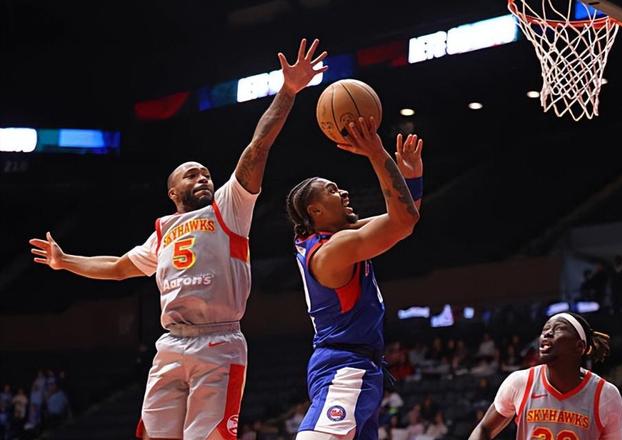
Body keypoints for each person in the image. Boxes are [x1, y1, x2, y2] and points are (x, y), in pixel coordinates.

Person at [29, 38, 328, 440]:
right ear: (173, 192)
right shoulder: (163, 230)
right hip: (171, 343)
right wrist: (65, 261)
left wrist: (288, 92)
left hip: (219, 341)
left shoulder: (228, 207)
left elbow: (257, 148)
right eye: (192, 174)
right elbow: (118, 267)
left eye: (206, 173)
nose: (203, 177)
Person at [286, 117, 424, 439]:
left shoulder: (334, 237)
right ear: (315, 211)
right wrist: (377, 153)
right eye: (332, 190)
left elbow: (404, 217)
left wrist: (410, 177)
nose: (344, 192)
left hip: (355, 364)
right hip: (345, 367)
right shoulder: (334, 250)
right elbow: (402, 223)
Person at [469, 312, 622, 440]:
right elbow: (484, 428)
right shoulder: (520, 382)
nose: (547, 333)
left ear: (579, 346)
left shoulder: (605, 394)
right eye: (545, 329)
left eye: (558, 328)